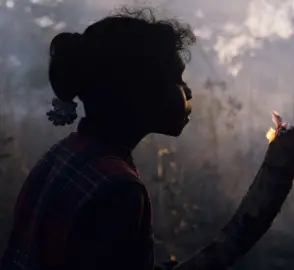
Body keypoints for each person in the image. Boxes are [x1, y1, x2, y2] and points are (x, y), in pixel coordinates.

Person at [0, 7, 195, 270]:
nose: (188, 91)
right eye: (177, 80)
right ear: (139, 93)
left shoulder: (62, 154)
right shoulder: (120, 189)